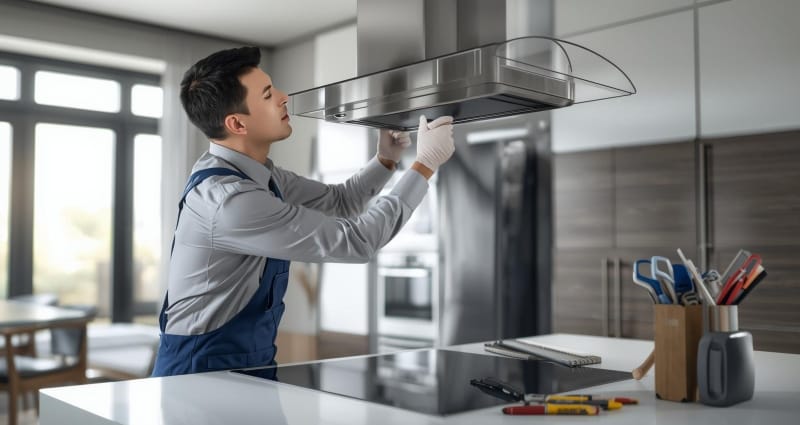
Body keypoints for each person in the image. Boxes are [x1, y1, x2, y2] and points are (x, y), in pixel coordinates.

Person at [151, 46, 455, 376]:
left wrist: (385, 160)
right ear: (237, 123)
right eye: (268, 95)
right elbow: (356, 242)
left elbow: (341, 201)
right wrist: (424, 166)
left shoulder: (258, 176)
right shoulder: (231, 201)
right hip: (199, 373)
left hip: (247, 362)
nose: (283, 97)